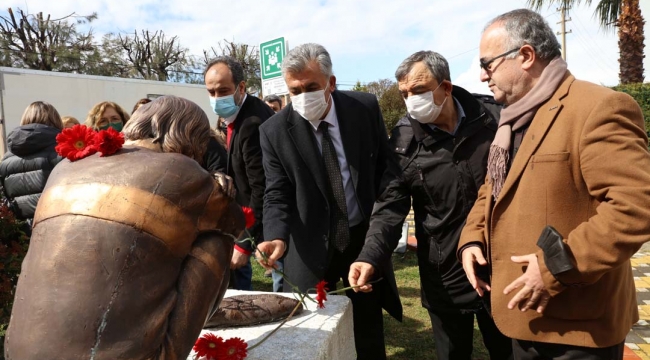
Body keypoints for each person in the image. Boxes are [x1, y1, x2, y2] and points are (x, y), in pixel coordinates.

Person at [458, 9, 650, 359]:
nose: (482, 76)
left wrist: (552, 269)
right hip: (524, 317)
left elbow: (636, 207)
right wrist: (472, 236)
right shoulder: (511, 120)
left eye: (487, 64)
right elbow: (494, 189)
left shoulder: (599, 108)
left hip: (578, 329)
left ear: (526, 56)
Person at [4, 95, 243, 360]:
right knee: (216, 240)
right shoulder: (181, 169)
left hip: (18, 351)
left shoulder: (66, 167)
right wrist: (217, 184)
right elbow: (234, 223)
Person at [348, 51, 512, 360]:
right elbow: (389, 207)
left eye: (420, 90)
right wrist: (370, 255)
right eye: (404, 93)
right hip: (445, 271)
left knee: (509, 351)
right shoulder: (403, 141)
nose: (411, 100)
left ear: (446, 87)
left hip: (501, 263)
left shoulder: (494, 118)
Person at [256, 43, 402, 360]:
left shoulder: (363, 109)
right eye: (295, 90)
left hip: (359, 239)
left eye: (311, 87)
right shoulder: (274, 131)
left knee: (366, 328)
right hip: (308, 244)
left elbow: (384, 171)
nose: (302, 96)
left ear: (331, 83)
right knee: (312, 331)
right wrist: (276, 235)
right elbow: (276, 190)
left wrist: (380, 232)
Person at [204, 56, 273, 290]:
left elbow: (261, 188)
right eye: (211, 92)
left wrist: (244, 244)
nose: (216, 98)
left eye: (223, 90)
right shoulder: (237, 117)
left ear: (241, 87)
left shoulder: (252, 122)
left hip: (271, 225)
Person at [0, 101, 63, 234]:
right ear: (56, 120)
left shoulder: (6, 159)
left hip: (21, 237)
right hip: (56, 231)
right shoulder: (61, 152)